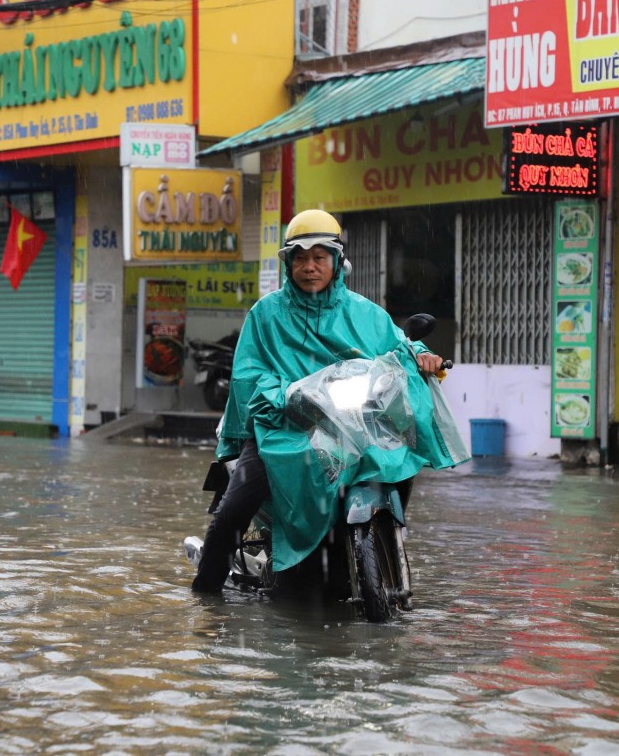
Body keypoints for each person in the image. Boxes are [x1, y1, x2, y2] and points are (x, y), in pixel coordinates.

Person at [191, 209, 455, 593]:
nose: (309, 267)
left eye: (319, 257)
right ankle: (205, 599)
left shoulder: (366, 313)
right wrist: (287, 394)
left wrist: (422, 356)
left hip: (350, 430)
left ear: (337, 261)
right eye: (300, 258)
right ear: (289, 264)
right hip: (279, 428)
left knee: (395, 457)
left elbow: (399, 349)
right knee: (233, 510)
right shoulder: (265, 315)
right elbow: (248, 375)